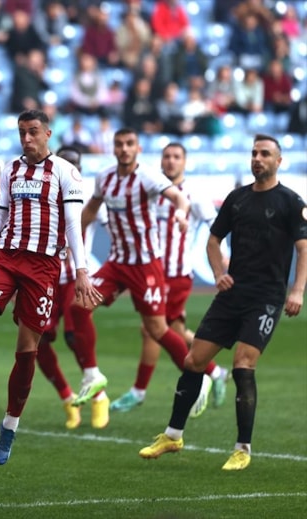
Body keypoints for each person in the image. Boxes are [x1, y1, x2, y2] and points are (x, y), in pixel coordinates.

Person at [140, 134, 307, 471]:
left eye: (265, 154)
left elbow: (303, 248)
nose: (257, 158)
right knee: (193, 360)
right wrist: (219, 273)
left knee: (243, 364)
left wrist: (297, 291)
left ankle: (242, 448)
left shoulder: (291, 201)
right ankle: (173, 436)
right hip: (232, 294)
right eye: (254, 153)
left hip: (266, 298)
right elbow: (213, 240)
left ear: (278, 161)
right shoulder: (237, 199)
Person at [0, 109, 102, 465]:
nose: (27, 138)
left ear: (48, 133)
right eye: (22, 132)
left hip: (42, 266)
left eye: (33, 131)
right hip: (4, 256)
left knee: (27, 349)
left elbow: (73, 224)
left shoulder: (65, 172)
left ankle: (10, 424)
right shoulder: (11, 169)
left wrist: (81, 271)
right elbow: (0, 212)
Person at [67, 128, 195, 417]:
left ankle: (196, 375)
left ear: (137, 148)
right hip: (117, 263)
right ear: (113, 148)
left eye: (129, 144)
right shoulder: (105, 177)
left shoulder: (148, 176)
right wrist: (70, 239)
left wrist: (180, 212)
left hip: (146, 264)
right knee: (78, 306)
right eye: (119, 144)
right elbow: (90, 210)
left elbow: (179, 198)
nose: (124, 149)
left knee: (157, 329)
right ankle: (92, 374)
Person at [111, 142, 228, 413]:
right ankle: (215, 372)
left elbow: (214, 226)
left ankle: (140, 391)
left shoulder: (193, 194)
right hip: (149, 270)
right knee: (172, 331)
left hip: (175, 274)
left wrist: (224, 254)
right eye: (167, 156)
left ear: (184, 162)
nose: (171, 161)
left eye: (176, 157)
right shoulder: (151, 191)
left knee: (151, 329)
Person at [34, 145, 109, 430]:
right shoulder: (40, 193)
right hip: (44, 278)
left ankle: (98, 395)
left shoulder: (88, 198)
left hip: (74, 278)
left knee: (73, 335)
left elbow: (111, 226)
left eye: (74, 163)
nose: (68, 167)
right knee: (37, 340)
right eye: (63, 162)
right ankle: (67, 398)